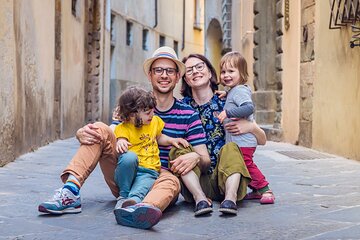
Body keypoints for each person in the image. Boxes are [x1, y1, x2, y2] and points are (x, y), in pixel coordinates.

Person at [38, 46, 211, 230]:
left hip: (158, 177)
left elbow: (205, 159)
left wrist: (196, 157)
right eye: (158, 70)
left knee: (172, 182)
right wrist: (82, 132)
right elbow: (112, 131)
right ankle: (70, 192)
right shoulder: (133, 103)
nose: (164, 75)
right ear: (150, 75)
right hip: (125, 173)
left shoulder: (188, 114)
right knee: (99, 128)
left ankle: (140, 209)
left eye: (170, 70)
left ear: (177, 77)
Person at [180, 53, 270, 214]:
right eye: (189, 70)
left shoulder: (228, 103)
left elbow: (262, 140)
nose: (195, 71)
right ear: (185, 79)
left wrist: (250, 127)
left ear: (210, 73)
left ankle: (230, 199)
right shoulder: (182, 108)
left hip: (229, 177)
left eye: (199, 67)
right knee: (178, 148)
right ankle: (200, 199)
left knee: (231, 148)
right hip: (198, 179)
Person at [113, 86, 189, 211]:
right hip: (130, 171)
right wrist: (121, 141)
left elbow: (159, 137)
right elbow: (122, 139)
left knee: (142, 187)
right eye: (148, 113)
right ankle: (123, 195)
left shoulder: (154, 121)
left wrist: (172, 140)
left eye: (153, 111)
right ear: (132, 114)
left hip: (148, 171)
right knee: (129, 157)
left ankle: (132, 203)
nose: (152, 115)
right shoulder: (123, 128)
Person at [216, 51, 275, 204]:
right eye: (223, 72)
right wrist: (226, 93)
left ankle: (265, 189)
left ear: (241, 74)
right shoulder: (234, 91)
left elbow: (248, 107)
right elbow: (235, 97)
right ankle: (256, 191)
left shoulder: (240, 91)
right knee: (242, 165)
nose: (226, 75)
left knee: (246, 165)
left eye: (231, 71)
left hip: (243, 140)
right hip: (238, 140)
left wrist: (227, 112)